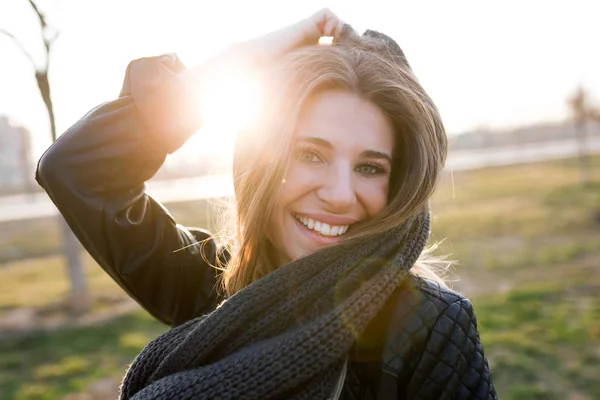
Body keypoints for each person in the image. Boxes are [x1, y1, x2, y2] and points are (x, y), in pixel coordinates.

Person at [36, 9, 497, 400]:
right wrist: (241, 64)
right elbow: (77, 170)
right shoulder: (217, 285)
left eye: (370, 167)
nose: (339, 194)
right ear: (265, 162)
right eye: (310, 155)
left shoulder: (431, 324)